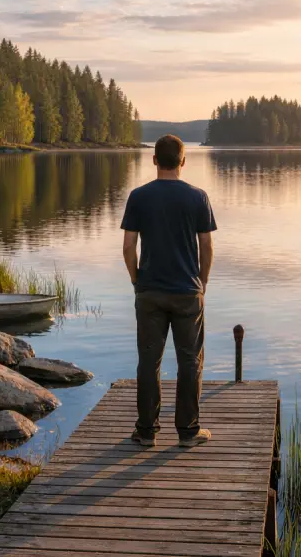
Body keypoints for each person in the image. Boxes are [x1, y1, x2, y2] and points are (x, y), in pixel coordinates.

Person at [120, 134, 216, 447]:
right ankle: (188, 432)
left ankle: (146, 432)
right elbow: (206, 245)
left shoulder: (138, 196)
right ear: (183, 161)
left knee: (149, 362)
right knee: (189, 362)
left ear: (154, 160)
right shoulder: (198, 197)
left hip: (150, 292)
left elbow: (128, 247)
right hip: (188, 291)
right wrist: (201, 282)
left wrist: (137, 281)